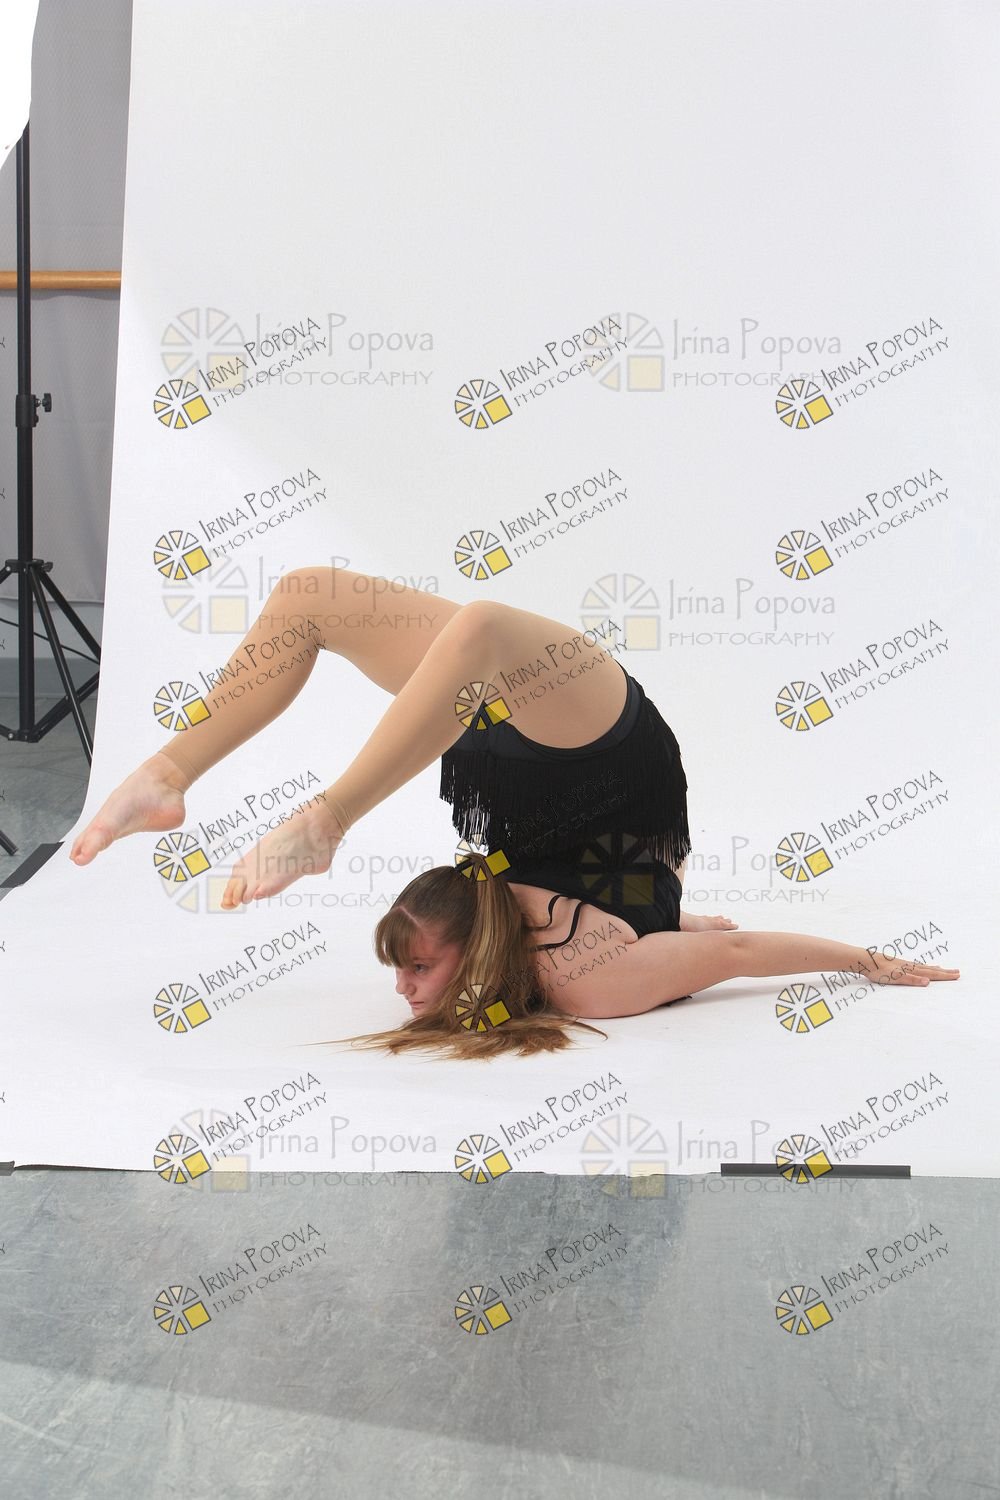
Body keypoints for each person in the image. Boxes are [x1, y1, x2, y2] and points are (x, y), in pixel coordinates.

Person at [70, 566, 959, 1058]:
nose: (403, 988)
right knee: (476, 626)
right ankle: (255, 799)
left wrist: (670, 916)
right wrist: (867, 961)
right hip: (613, 762)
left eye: (411, 966)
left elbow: (679, 929)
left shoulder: (512, 908)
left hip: (511, 764)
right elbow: (739, 954)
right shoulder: (585, 977)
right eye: (414, 969)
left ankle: (210, 784)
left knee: (315, 597)